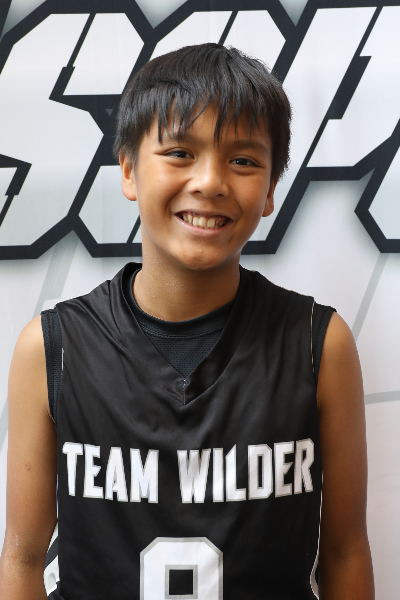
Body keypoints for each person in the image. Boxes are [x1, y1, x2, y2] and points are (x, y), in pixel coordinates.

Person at [0, 43, 374, 599]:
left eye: (243, 161)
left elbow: (344, 553)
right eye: (179, 152)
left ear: (271, 190)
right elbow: (23, 556)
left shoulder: (320, 344)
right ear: (129, 169)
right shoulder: (52, 347)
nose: (210, 181)